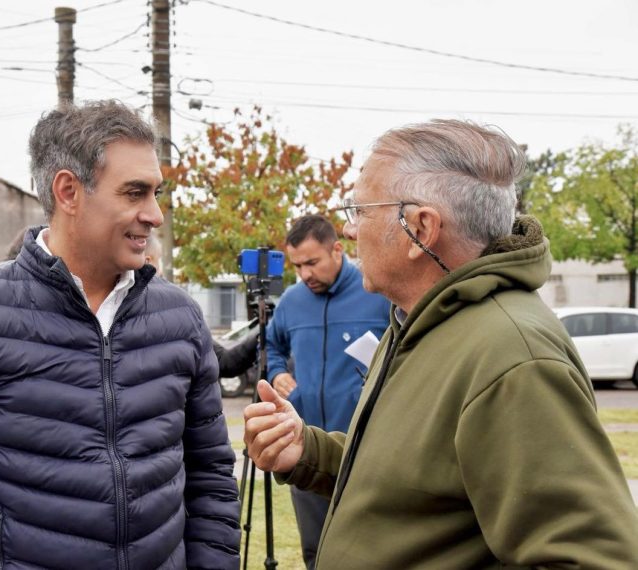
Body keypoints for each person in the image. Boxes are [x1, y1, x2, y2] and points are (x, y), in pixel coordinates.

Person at [244, 119, 638, 568]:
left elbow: (594, 559)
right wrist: (307, 451)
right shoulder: (420, 323)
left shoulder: (513, 357)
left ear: (421, 229)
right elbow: (410, 486)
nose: (350, 231)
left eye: (361, 210)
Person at [0, 100, 240, 569]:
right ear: (69, 191)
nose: (155, 215)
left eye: (156, 194)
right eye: (135, 193)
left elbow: (211, 481)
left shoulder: (180, 318)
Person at [263, 214, 390, 569]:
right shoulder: (291, 301)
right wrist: (276, 372)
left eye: (312, 262)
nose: (305, 274)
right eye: (297, 266)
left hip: (363, 453)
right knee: (315, 554)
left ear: (337, 250)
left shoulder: (377, 293)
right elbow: (270, 345)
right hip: (305, 450)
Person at [144, 233, 259, 381]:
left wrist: (261, 334)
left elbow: (225, 362)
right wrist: (263, 333)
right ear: (148, 262)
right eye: (159, 260)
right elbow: (226, 362)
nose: (161, 270)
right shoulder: (180, 311)